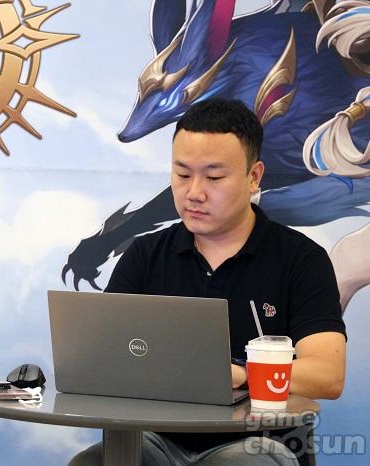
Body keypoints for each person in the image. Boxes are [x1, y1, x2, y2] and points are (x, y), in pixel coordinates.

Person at [70, 98, 346, 466]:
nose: (194, 192)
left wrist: (239, 375)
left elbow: (328, 375)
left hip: (257, 444)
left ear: (254, 177)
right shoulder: (145, 255)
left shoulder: (301, 259)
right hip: (155, 441)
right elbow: (98, 359)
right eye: (182, 174)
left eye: (214, 177)